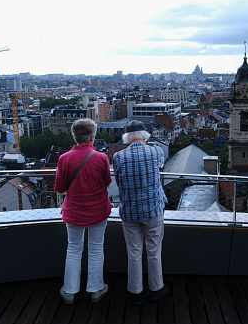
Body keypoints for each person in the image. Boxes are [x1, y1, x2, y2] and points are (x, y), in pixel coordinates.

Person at [54, 118, 112, 304]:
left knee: (73, 248)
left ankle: (70, 291)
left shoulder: (64, 159)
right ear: (92, 137)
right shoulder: (101, 158)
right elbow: (107, 183)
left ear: (75, 137)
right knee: (96, 248)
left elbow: (59, 188)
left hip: (74, 211)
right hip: (97, 210)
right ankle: (95, 288)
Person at [113, 120, 169, 306]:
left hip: (130, 210)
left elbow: (119, 182)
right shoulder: (156, 152)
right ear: (145, 136)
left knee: (134, 252)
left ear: (126, 137)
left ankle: (135, 292)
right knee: (154, 250)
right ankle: (156, 288)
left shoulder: (118, 156)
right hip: (153, 209)